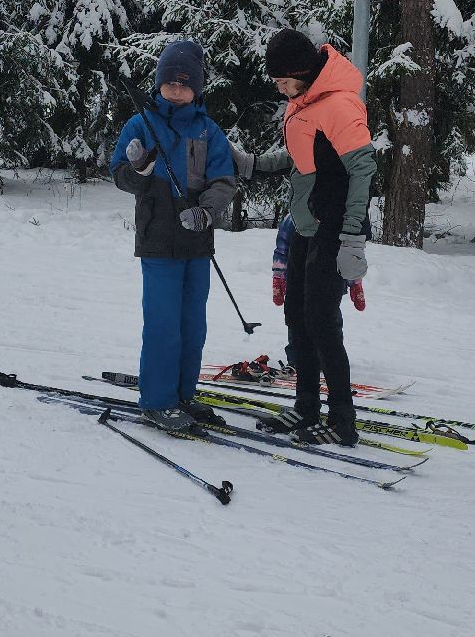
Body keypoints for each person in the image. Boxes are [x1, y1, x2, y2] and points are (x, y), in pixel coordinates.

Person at [238, 29, 376, 446]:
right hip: (307, 223)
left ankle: (342, 422)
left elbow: (362, 168)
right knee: (297, 317)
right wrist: (255, 164)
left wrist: (352, 237)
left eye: (282, 81)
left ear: (301, 73)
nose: (279, 89)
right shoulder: (305, 103)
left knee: (321, 323)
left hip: (335, 226)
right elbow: (305, 156)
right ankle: (305, 407)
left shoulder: (338, 103)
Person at [109, 39, 238, 432]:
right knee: (163, 322)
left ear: (197, 88)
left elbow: (224, 179)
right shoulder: (140, 124)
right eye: (170, 83)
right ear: (159, 84)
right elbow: (120, 176)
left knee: (192, 325)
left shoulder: (207, 130)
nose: (176, 91)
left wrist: (206, 211)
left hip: (197, 241)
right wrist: (140, 171)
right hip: (158, 238)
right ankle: (157, 400)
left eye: (185, 84)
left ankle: (184, 394)